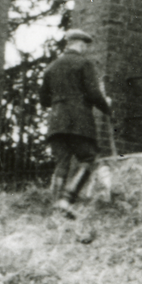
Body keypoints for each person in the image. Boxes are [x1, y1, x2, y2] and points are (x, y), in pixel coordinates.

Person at [39, 29, 112, 217]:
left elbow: (44, 100)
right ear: (80, 44)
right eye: (85, 46)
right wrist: (106, 106)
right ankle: (66, 200)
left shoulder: (51, 67)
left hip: (56, 121)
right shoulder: (83, 63)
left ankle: (56, 207)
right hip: (78, 121)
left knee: (61, 161)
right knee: (89, 158)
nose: (85, 49)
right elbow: (93, 93)